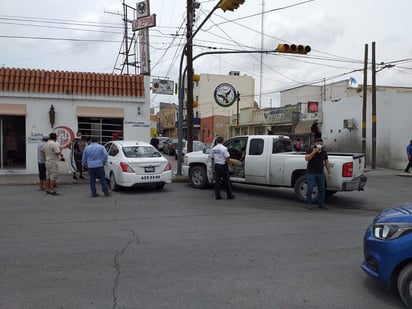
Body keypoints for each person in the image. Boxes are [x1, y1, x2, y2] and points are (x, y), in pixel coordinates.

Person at [304, 138, 331, 209]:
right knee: (310, 188)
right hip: (311, 172)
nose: (320, 145)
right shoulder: (310, 150)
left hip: (320, 173)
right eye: (318, 144)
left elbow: (327, 162)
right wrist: (314, 152)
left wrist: (329, 172)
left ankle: (321, 204)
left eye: (321, 144)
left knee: (322, 189)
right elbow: (307, 158)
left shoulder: (324, 152)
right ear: (315, 144)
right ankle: (308, 203)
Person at [211, 136, 235, 200]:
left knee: (217, 182)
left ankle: (217, 196)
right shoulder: (224, 148)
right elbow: (227, 158)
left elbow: (212, 157)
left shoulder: (214, 148)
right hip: (223, 166)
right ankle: (229, 195)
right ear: (222, 141)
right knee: (226, 181)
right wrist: (230, 166)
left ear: (217, 141)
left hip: (217, 165)